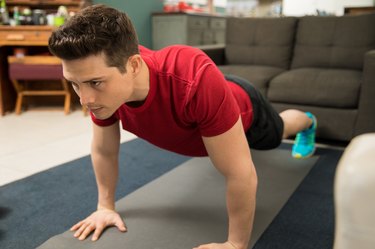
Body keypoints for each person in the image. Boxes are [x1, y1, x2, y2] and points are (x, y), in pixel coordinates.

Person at [48, 4, 317, 249]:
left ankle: (307, 120)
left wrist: (235, 244)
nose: (84, 100)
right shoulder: (103, 89)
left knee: (279, 131)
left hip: (244, 107)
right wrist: (105, 206)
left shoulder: (191, 78)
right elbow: (105, 151)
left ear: (133, 65)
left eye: (95, 83)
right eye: (74, 83)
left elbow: (241, 174)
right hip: (206, 104)